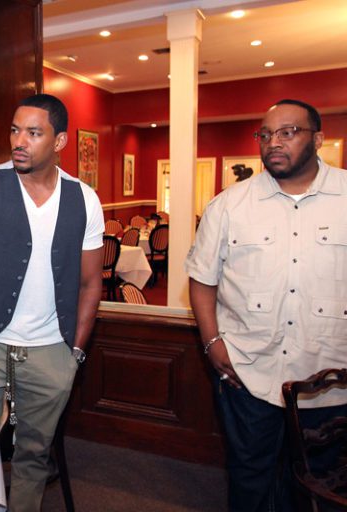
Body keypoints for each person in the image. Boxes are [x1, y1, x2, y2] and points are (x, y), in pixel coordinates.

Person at [0, 93, 104, 511]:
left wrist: (75, 354)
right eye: (15, 130)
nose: (19, 141)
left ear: (59, 141)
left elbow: (90, 284)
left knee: (34, 459)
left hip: (51, 348)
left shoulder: (84, 199)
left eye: (33, 133)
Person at [186, 98, 347, 512]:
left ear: (319, 139)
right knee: (250, 479)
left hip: (329, 382)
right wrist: (212, 343)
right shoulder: (229, 204)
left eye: (288, 132)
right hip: (248, 373)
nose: (273, 142)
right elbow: (202, 279)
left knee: (321, 486)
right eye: (266, 134)